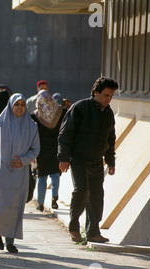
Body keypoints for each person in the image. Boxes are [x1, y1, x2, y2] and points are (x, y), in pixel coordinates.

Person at [58, 76, 118, 244]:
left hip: (97, 161)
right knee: (82, 190)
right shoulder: (80, 108)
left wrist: (111, 161)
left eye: (111, 96)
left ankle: (93, 231)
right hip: (79, 159)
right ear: (96, 93)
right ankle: (74, 227)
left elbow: (110, 139)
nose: (109, 99)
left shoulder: (108, 113)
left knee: (97, 195)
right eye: (106, 95)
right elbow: (65, 134)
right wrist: (63, 158)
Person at [0, 93, 40, 253]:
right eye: (16, 105)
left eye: (22, 105)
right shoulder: (0, 123)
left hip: (19, 171)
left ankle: (10, 241)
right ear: (10, 106)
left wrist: (23, 160)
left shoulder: (31, 126)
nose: (20, 108)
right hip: (0, 169)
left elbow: (35, 149)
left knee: (14, 206)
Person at [30, 90, 67, 212]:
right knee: (55, 174)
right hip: (56, 147)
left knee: (42, 176)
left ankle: (40, 203)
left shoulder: (35, 116)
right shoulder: (60, 112)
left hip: (41, 150)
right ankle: (54, 199)